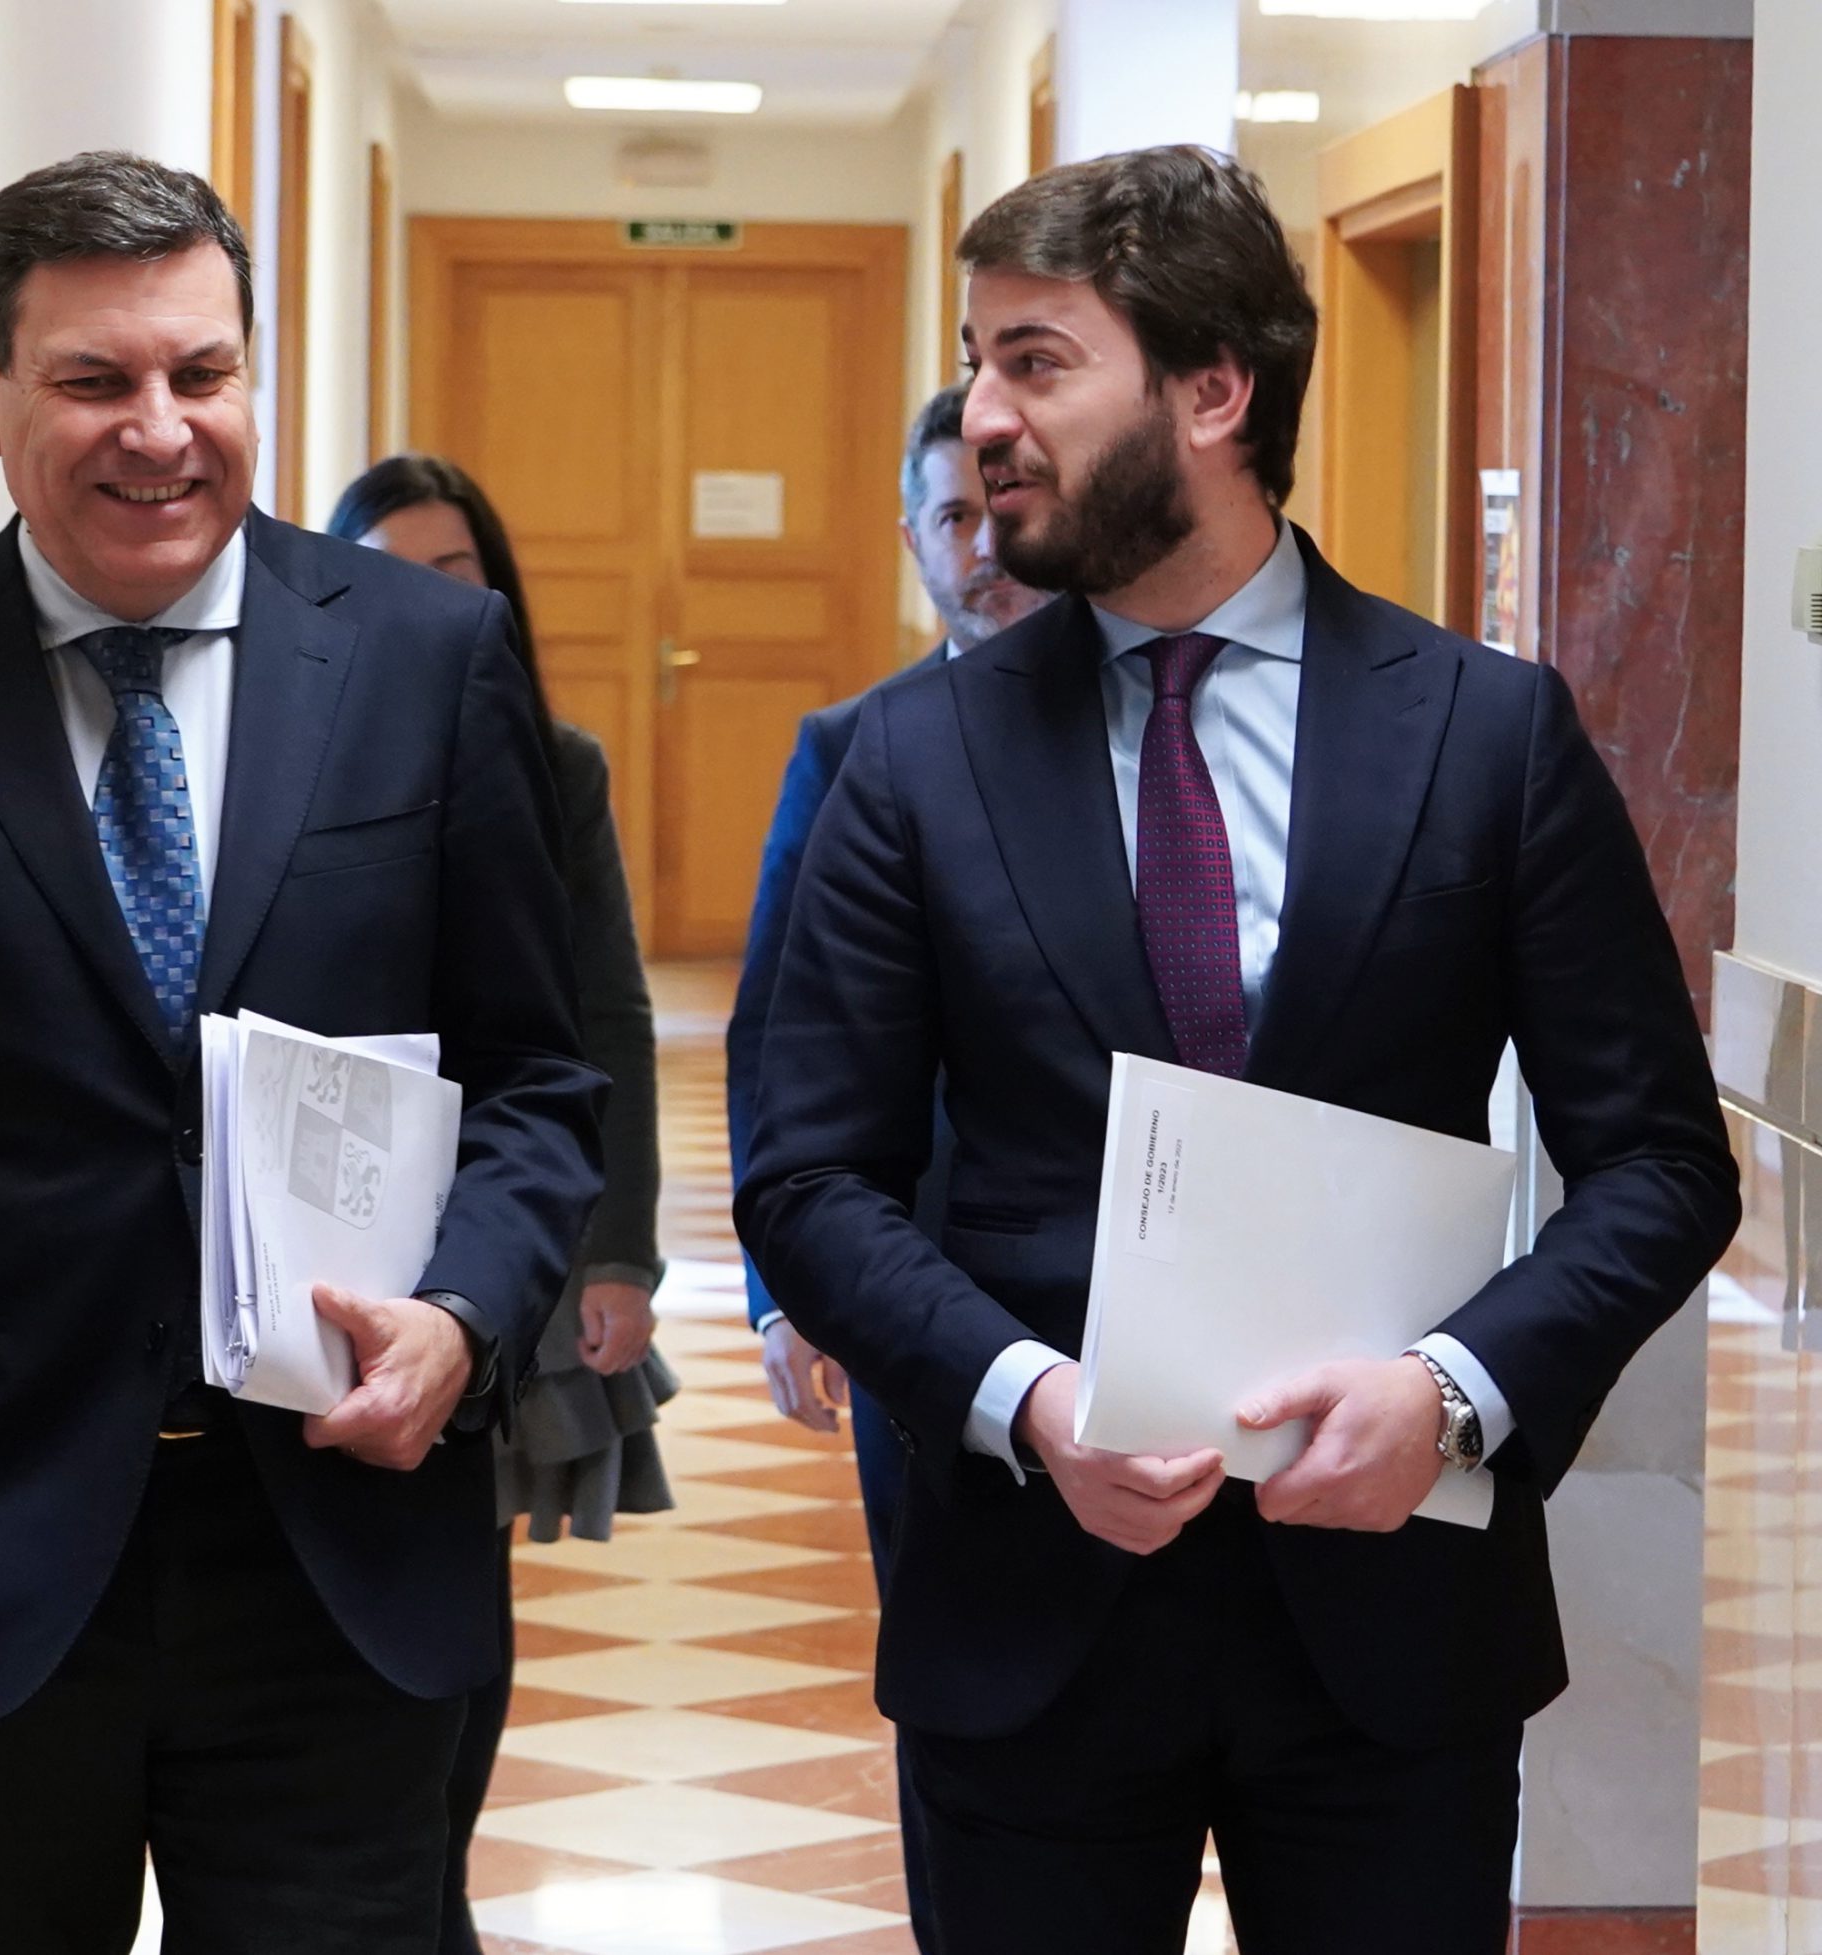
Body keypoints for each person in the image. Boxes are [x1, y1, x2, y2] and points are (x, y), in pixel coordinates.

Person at [737, 145, 1739, 1955]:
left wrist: (1449, 1391)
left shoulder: (1487, 736)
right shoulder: (912, 762)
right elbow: (811, 1179)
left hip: (1393, 1622)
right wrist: (1033, 1408)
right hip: (1029, 1607)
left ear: (1213, 391)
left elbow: (1664, 1162)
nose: (983, 418)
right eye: (977, 363)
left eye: (1037, 361)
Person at [0, 152, 604, 1955]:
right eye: (96, 381)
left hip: (337, 1558)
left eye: (203, 374)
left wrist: (464, 1314)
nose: (161, 432)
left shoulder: (427, 661)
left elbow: (539, 1086)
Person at [326, 453, 675, 1955]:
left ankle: (435, 1889)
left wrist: (617, 1252)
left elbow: (604, 1013)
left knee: (458, 1549)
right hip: (335, 1230)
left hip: (501, 1216)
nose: (426, 597)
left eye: (454, 569)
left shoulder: (556, 762)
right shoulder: (296, 756)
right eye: (390, 566)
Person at [725, 382, 1040, 1952]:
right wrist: (789, 1298)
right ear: (912, 539)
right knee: (956, 1663)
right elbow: (773, 1032)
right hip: (907, 1296)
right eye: (951, 519)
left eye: (1002, 509)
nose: (984, 549)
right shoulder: (851, 747)